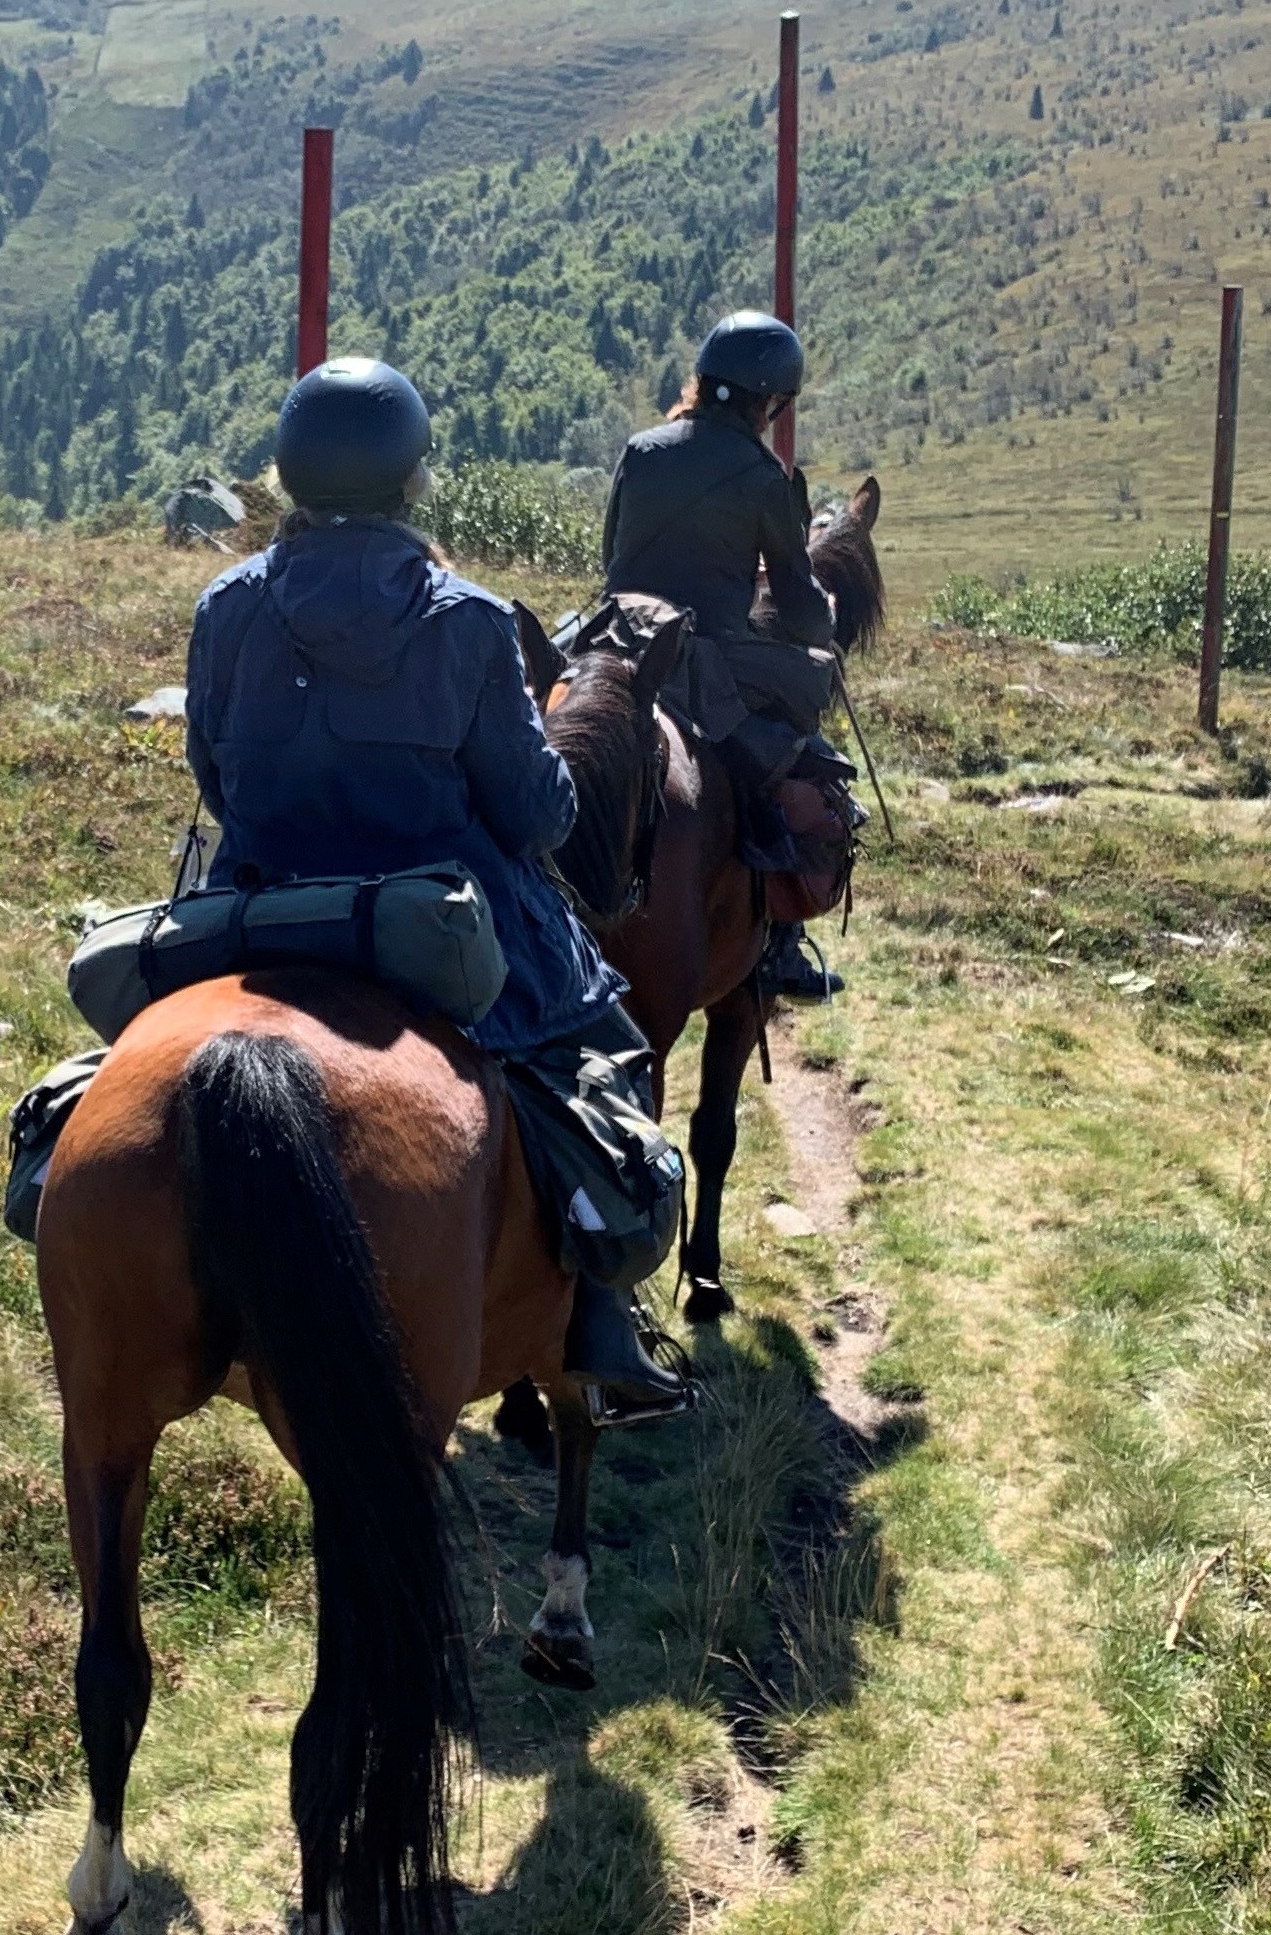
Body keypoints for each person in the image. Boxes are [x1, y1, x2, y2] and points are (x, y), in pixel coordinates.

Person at [182, 356, 688, 1419]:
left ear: (286, 474)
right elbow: (536, 815)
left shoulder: (227, 604)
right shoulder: (466, 622)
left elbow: (215, 777)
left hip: (256, 907)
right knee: (603, 1056)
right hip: (442, 925)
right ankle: (600, 1313)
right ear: (415, 480)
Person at [601, 309, 847, 1000]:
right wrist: (819, 617)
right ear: (770, 400)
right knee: (794, 750)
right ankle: (782, 944)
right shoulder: (763, 475)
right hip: (705, 658)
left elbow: (612, 558)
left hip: (616, 635)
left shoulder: (640, 450)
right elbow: (799, 608)